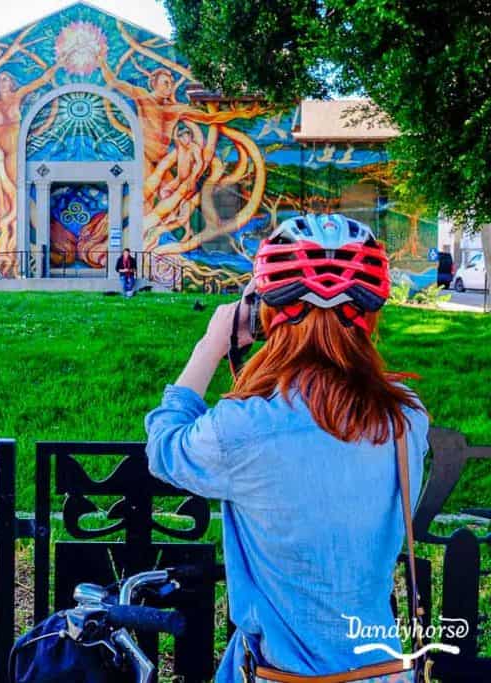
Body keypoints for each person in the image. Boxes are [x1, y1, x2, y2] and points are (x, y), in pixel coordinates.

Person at [144, 214, 428, 682]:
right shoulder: (406, 419)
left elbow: (164, 447)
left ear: (268, 313)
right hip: (381, 670)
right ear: (371, 315)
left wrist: (213, 343)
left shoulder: (244, 428)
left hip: (278, 672)